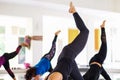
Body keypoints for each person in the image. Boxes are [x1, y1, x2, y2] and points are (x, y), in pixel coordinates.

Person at [46, 2, 89, 80]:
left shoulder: (54, 78)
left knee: (85, 31)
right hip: (67, 62)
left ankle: (73, 11)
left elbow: (52, 77)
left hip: (68, 54)